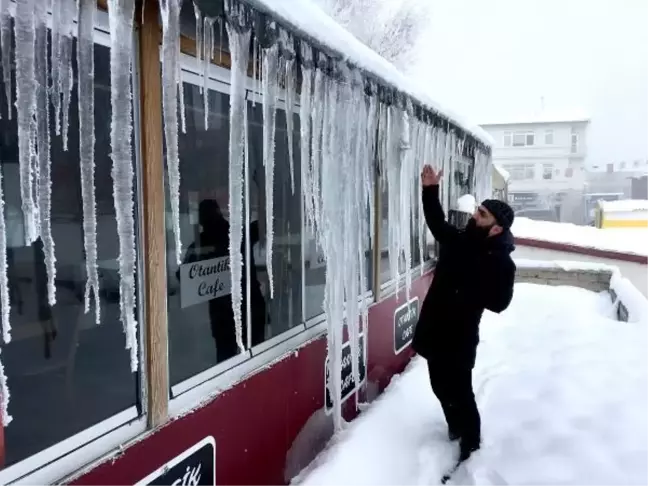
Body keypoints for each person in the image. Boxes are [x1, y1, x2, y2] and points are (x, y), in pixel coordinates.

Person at [413, 165, 516, 463]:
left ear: (496, 228)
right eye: (477, 210)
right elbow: (436, 222)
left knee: (462, 393)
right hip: (435, 329)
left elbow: (500, 303)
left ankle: (470, 446)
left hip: (459, 338)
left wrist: (473, 279)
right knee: (438, 385)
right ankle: (454, 427)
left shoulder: (500, 262)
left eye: (482, 215)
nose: (474, 215)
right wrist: (430, 189)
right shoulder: (460, 240)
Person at [179, 199, 267, 362]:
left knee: (226, 363)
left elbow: (183, 276)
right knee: (256, 359)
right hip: (251, 307)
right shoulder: (239, 234)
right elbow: (261, 225)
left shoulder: (201, 243)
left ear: (202, 219)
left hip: (223, 314)